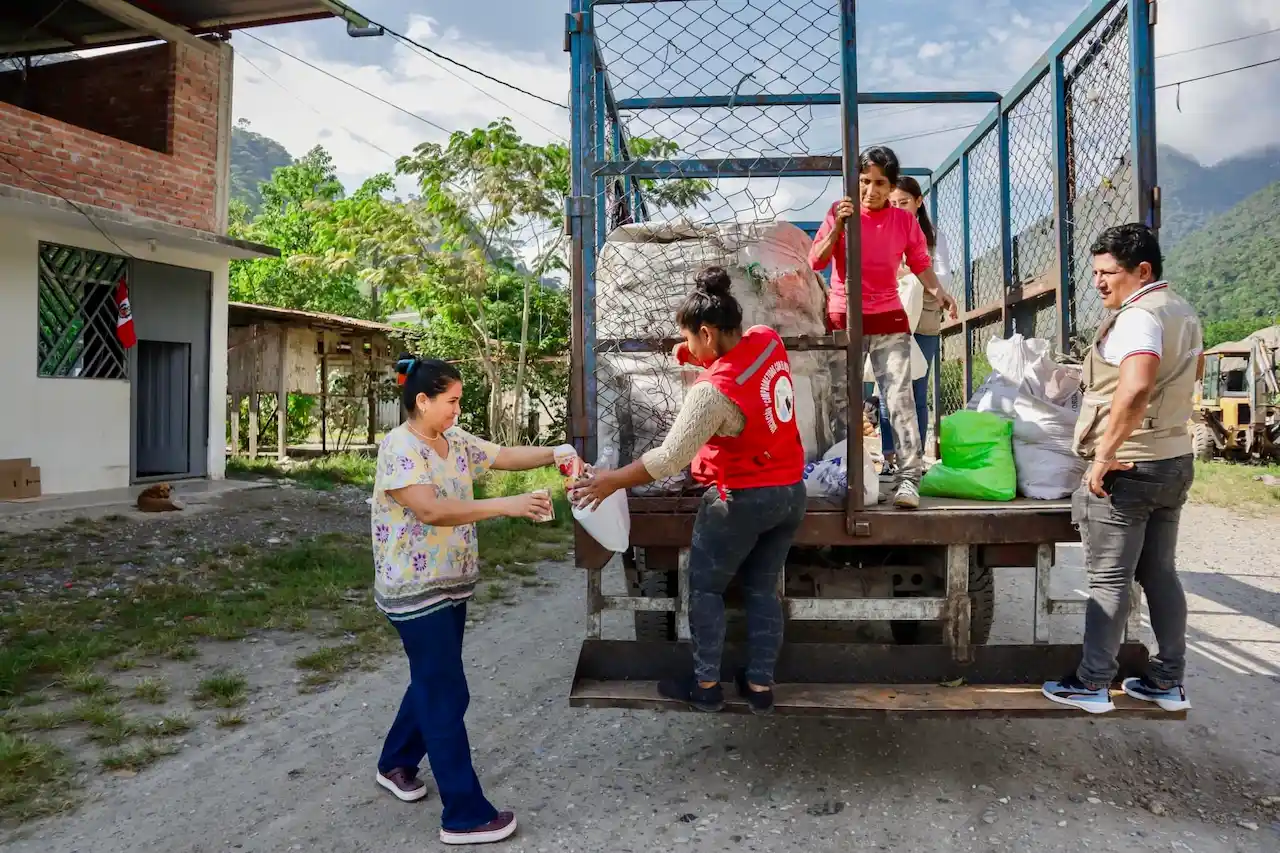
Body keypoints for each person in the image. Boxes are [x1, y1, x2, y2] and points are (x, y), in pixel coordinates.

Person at [570, 267, 807, 715]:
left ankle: (706, 685)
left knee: (706, 590)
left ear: (707, 332)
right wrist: (697, 355)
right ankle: (759, 688)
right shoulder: (766, 340)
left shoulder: (712, 393)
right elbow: (744, 371)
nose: (689, 347)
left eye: (691, 339)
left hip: (741, 500)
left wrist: (612, 480)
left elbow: (668, 459)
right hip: (790, 493)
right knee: (761, 589)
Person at [372, 355, 577, 845]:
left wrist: (555, 453)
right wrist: (505, 505)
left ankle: (395, 762)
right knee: (445, 693)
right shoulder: (400, 448)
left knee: (434, 681)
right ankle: (463, 814)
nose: (457, 410)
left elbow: (502, 455)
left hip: (450, 583)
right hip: (413, 591)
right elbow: (430, 509)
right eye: (452, 401)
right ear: (421, 401)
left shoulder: (453, 441)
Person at [1042, 223, 1202, 715]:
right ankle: (1167, 681)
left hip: (1130, 465)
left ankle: (1092, 683)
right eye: (1094, 273)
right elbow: (1191, 375)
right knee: (1160, 574)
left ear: (1142, 271)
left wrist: (1106, 454)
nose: (1098, 282)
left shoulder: (1138, 318)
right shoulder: (1183, 312)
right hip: (1174, 459)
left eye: (1107, 273)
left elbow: (1133, 389)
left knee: (1110, 579)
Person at [807, 145, 952, 508]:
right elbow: (816, 261)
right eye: (865, 181)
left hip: (888, 318)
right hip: (845, 319)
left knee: (899, 400)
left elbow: (920, 263)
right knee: (841, 401)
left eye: (880, 184)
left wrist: (940, 292)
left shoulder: (903, 222)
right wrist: (838, 226)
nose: (871, 191)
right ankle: (840, 474)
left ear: (891, 188)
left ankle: (908, 480)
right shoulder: (839, 214)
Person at [881, 175, 959, 471]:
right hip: (890, 314)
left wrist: (907, 275)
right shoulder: (883, 232)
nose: (899, 208)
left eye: (904, 203)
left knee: (917, 388)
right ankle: (889, 457)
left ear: (918, 202)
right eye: (893, 203)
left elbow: (944, 277)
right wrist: (914, 276)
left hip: (924, 317)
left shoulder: (933, 236)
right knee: (889, 388)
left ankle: (913, 459)